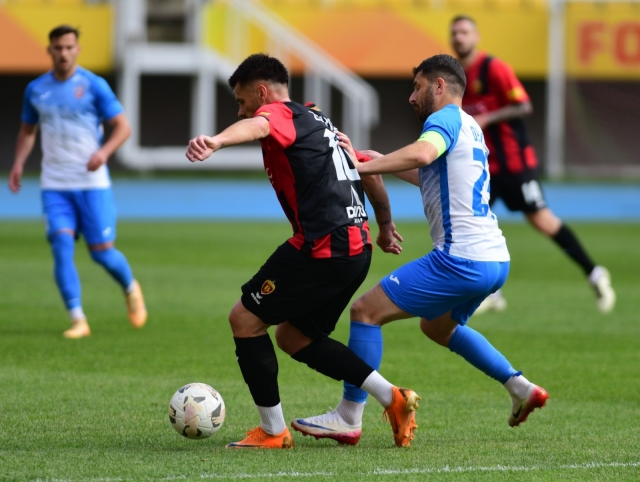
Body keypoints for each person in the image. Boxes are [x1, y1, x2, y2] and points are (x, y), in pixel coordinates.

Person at [291, 54, 548, 445]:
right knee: (438, 326)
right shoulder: (470, 125)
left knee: (365, 312)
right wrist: (376, 160)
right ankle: (520, 388)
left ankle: (348, 416)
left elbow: (424, 154)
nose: (412, 97)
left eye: (418, 87)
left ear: (439, 86)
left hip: (460, 259)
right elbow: (432, 172)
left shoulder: (442, 119)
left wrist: (359, 169)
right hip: (495, 259)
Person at [185, 53, 420, 449]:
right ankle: (393, 397)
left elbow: (259, 123)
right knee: (293, 336)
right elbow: (365, 166)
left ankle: (273, 432)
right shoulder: (320, 120)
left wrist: (217, 141)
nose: (240, 111)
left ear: (262, 93)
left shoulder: (278, 114)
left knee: (244, 319)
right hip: (356, 248)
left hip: (323, 246)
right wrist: (384, 225)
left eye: (242, 101)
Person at [450, 15, 615, 315]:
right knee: (469, 223)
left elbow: (524, 105)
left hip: (514, 164)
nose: (459, 37)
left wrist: (489, 117)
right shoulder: (457, 76)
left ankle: (595, 273)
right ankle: (491, 293)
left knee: (543, 221)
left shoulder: (494, 68)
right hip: (485, 168)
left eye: (464, 32)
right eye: (455, 33)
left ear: (476, 36)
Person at [8, 25, 147, 338]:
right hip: (55, 184)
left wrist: (104, 152)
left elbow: (123, 127)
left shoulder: (93, 85)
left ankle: (130, 287)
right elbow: (27, 131)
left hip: (92, 183)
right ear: (50, 50)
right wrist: (18, 163)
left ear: (77, 50)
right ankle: (78, 319)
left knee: (102, 253)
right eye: (58, 48)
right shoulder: (36, 89)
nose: (64, 53)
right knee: (61, 245)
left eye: (69, 47)